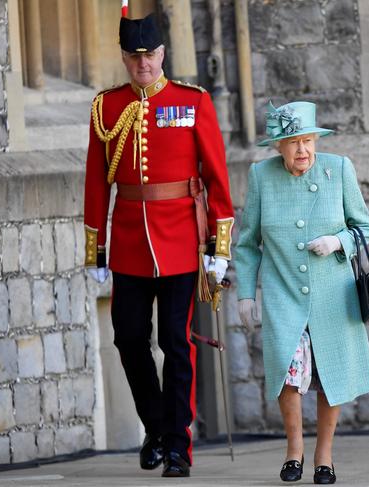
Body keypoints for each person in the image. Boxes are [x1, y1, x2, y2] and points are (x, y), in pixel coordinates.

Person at [83, 13, 234, 477]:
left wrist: (219, 243)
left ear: (162, 54)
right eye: (134, 56)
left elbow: (215, 174)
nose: (142, 64)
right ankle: (155, 426)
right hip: (129, 242)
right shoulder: (107, 108)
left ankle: (178, 445)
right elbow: (95, 181)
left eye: (149, 55)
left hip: (180, 241)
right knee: (128, 336)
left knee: (174, 341)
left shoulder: (192, 101)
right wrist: (97, 249)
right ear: (125, 58)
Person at [235, 101, 369, 484]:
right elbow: (247, 243)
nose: (302, 150)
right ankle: (293, 451)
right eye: (293, 142)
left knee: (331, 373)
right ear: (277, 146)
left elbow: (365, 226)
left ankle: (324, 456)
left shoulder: (339, 169)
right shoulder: (261, 176)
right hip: (284, 294)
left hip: (334, 294)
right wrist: (246, 293)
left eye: (308, 140)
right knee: (288, 372)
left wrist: (338, 241)